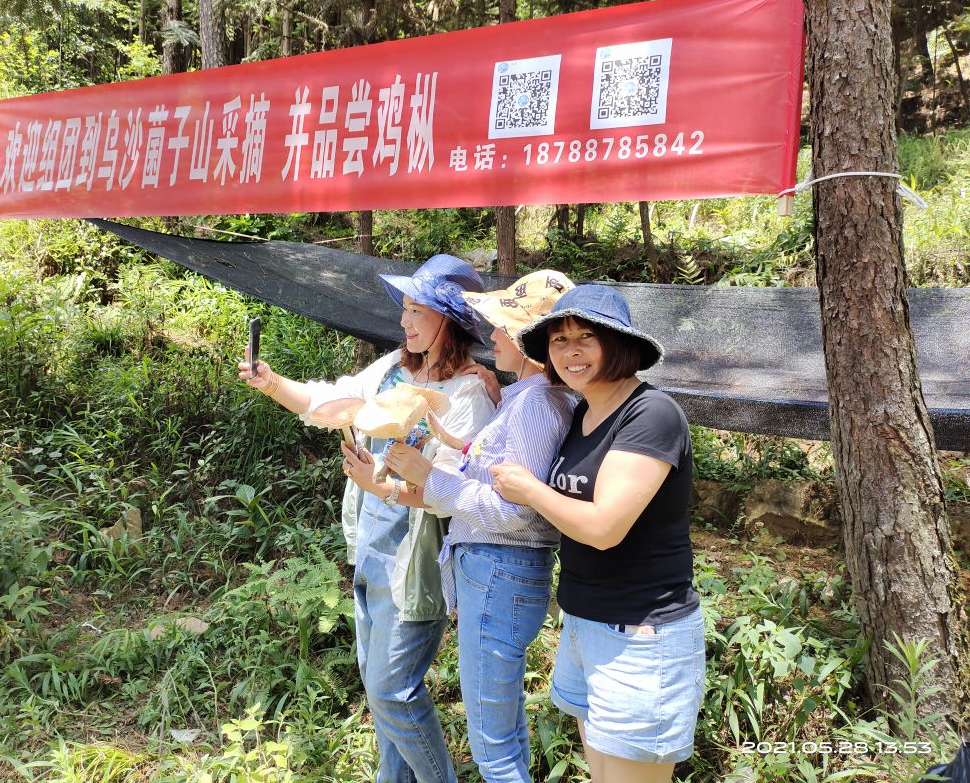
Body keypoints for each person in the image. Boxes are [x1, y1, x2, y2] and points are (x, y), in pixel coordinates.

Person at [238, 253, 496, 783]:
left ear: (448, 320)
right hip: (372, 550)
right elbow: (332, 400)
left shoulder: (470, 392)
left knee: (392, 691)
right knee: (378, 692)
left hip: (418, 561)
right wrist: (272, 382)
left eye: (417, 310)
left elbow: (454, 489)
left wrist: (381, 485)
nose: (405, 321)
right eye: (405, 308)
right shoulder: (393, 370)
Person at [490, 284, 706, 783]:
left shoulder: (650, 414)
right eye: (559, 340)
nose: (571, 351)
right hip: (585, 624)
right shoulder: (582, 413)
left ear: (619, 344)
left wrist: (529, 490)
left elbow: (605, 528)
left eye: (586, 337)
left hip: (640, 633)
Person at [374, 270, 579, 783]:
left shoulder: (539, 403)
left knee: (494, 751)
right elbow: (503, 473)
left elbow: (518, 511)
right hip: (494, 573)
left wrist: (429, 477)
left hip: (500, 571)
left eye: (502, 327)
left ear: (529, 339)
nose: (491, 335)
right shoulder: (525, 397)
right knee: (503, 736)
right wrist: (463, 441)